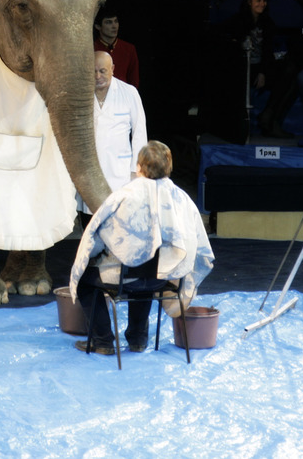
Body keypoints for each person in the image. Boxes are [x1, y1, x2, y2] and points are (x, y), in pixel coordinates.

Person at [70, 140, 214, 355]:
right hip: (165, 278)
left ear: (138, 166)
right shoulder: (183, 199)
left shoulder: (122, 196)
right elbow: (200, 245)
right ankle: (138, 340)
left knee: (84, 280)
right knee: (147, 269)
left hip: (123, 279)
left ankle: (102, 341)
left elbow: (95, 238)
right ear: (169, 167)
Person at [76, 51, 147, 224]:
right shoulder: (80, 94)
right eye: (93, 71)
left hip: (120, 172)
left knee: (119, 225)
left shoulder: (129, 93)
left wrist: (136, 172)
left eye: (102, 71)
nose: (98, 76)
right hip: (89, 172)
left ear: (113, 69)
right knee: (90, 224)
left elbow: (139, 134)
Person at [229, 0, 298, 138]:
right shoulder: (237, 21)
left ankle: (270, 117)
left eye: (264, 1)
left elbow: (268, 52)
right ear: (249, 2)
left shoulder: (267, 22)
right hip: (241, 68)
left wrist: (262, 72)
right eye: (258, 0)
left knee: (291, 73)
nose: (262, 4)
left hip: (260, 67)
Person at [93, 10, 140, 88]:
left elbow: (134, 80)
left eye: (116, 21)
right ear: (98, 26)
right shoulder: (92, 49)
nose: (114, 26)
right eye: (108, 22)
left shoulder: (128, 49)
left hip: (123, 96)